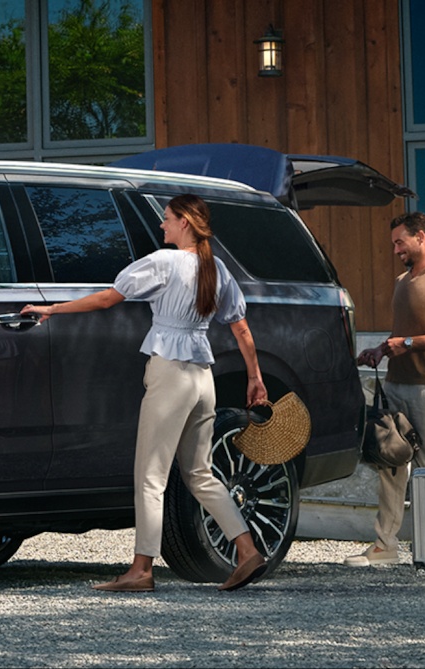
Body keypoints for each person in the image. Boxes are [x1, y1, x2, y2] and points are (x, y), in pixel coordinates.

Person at [20, 194, 270, 593]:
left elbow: (107, 298)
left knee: (150, 476)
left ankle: (141, 570)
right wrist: (254, 377)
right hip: (202, 376)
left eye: (167, 218)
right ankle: (246, 549)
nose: (162, 225)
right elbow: (241, 329)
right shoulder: (217, 268)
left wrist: (52, 310)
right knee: (200, 473)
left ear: (185, 222)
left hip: (171, 372)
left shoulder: (164, 262)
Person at [350, 211, 425, 567]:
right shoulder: (403, 281)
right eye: (393, 243)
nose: (395, 249)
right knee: (390, 464)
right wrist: (381, 350)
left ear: (421, 237)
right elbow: (402, 334)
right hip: (396, 385)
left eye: (400, 241)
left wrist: (410, 342)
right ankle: (385, 545)